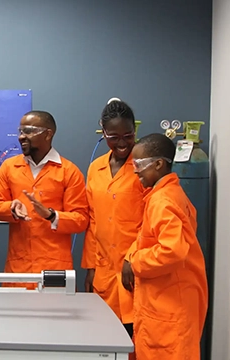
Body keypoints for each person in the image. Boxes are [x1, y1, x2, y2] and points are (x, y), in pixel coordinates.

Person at [122, 133, 208, 360]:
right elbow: (147, 237)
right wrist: (131, 256)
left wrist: (136, 262)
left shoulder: (163, 201)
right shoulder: (167, 195)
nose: (135, 170)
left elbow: (172, 251)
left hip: (170, 306)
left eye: (139, 164)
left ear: (159, 164)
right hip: (165, 299)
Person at [0, 110, 88, 288]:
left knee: (54, 316)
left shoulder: (68, 171)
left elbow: (81, 220)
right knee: (16, 315)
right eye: (20, 131)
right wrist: (11, 208)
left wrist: (51, 215)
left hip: (54, 266)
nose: (21, 137)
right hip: (19, 267)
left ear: (48, 134)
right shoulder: (10, 167)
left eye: (29, 130)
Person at [80, 99, 145, 343]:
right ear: (103, 133)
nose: (121, 143)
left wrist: (133, 257)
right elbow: (93, 220)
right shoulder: (96, 168)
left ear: (135, 131)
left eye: (128, 136)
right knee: (105, 339)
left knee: (134, 338)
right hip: (104, 270)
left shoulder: (144, 167)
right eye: (113, 136)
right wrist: (91, 268)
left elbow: (151, 221)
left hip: (135, 268)